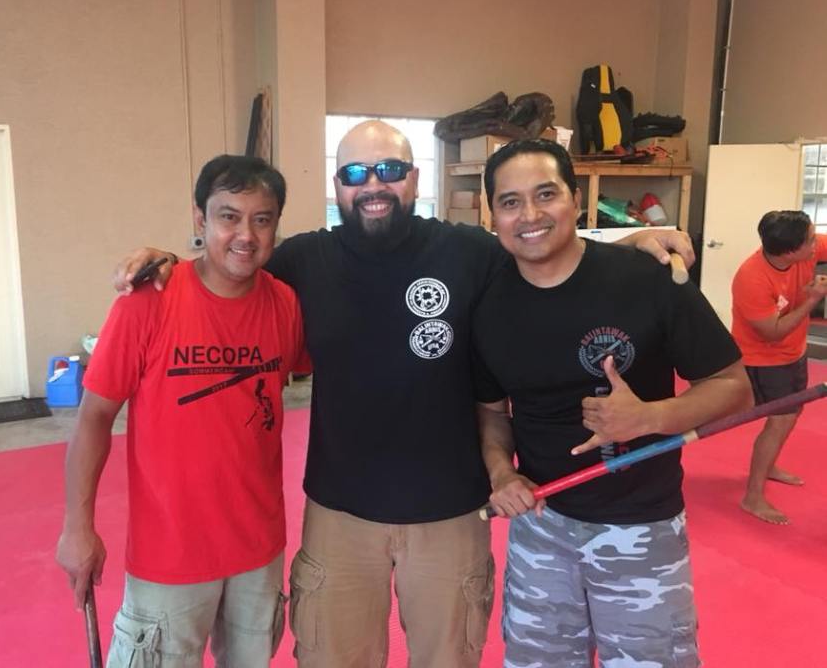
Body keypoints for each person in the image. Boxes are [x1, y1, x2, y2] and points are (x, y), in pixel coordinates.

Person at [113, 121, 696, 668]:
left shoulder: (468, 252)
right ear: (337, 185)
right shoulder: (303, 261)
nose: (374, 185)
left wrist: (628, 243)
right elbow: (231, 261)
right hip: (340, 516)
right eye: (356, 173)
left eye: (390, 170)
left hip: (450, 514)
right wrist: (170, 262)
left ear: (414, 178)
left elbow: (543, 246)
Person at [472, 138, 751, 668]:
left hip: (641, 527)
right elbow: (491, 412)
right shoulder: (487, 305)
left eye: (546, 194)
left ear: (576, 201)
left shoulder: (648, 279)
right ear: (493, 216)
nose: (529, 215)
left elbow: (733, 385)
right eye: (510, 202)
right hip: (542, 525)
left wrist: (651, 417)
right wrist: (502, 473)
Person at [56, 155, 309, 668]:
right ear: (200, 218)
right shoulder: (148, 300)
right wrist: (77, 527)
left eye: (261, 219)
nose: (245, 235)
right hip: (169, 557)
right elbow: (94, 418)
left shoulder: (285, 304)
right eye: (228, 216)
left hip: (258, 551)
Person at [731, 210, 827, 524]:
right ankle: (752, 497)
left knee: (791, 415)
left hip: (795, 352)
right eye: (810, 241)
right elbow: (772, 332)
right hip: (764, 358)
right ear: (789, 251)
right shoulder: (752, 278)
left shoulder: (804, 249)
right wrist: (812, 300)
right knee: (780, 421)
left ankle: (768, 466)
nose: (816, 244)